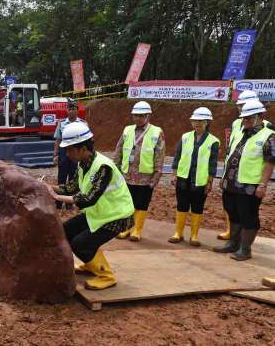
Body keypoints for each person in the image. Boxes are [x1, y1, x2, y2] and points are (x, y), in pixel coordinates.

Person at [45, 122, 134, 290]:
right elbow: (73, 187)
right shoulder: (83, 164)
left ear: (83, 148)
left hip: (116, 216)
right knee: (65, 231)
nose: (67, 153)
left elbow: (89, 199)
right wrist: (50, 188)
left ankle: (106, 276)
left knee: (81, 243)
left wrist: (57, 197)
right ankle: (90, 263)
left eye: (70, 149)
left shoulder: (103, 167)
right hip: (99, 214)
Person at [213, 100, 274, 260]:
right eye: (243, 118)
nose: (244, 121)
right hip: (231, 183)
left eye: (248, 118)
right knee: (232, 212)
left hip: (250, 185)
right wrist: (224, 176)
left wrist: (262, 185)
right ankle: (233, 243)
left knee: (248, 216)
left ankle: (245, 249)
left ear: (260, 116)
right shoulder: (240, 132)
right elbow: (230, 155)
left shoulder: (268, 136)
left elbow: (270, 163)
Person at [113, 101, 165, 241]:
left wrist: (156, 176)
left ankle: (137, 230)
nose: (137, 118)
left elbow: (159, 155)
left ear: (148, 116)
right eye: (135, 116)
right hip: (127, 175)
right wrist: (115, 168)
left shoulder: (156, 132)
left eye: (141, 116)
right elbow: (119, 150)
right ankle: (126, 228)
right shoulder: (127, 130)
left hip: (145, 177)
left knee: (141, 203)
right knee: (127, 202)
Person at [168, 107, 219, 246]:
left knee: (197, 207)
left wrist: (209, 182)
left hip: (200, 180)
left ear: (207, 122)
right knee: (182, 205)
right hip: (183, 178)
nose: (197, 123)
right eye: (195, 121)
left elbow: (212, 164)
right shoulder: (185, 137)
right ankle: (178, 233)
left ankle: (194, 235)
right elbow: (178, 156)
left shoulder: (213, 141)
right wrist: (174, 174)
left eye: (201, 121)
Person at [53, 98, 87, 208]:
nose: (71, 111)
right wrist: (55, 155)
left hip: (77, 153)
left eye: (73, 109)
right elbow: (58, 140)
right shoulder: (61, 123)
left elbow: (87, 140)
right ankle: (58, 203)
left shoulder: (83, 123)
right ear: (66, 111)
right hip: (64, 152)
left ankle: (69, 204)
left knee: (73, 178)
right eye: (69, 109)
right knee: (61, 178)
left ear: (77, 110)